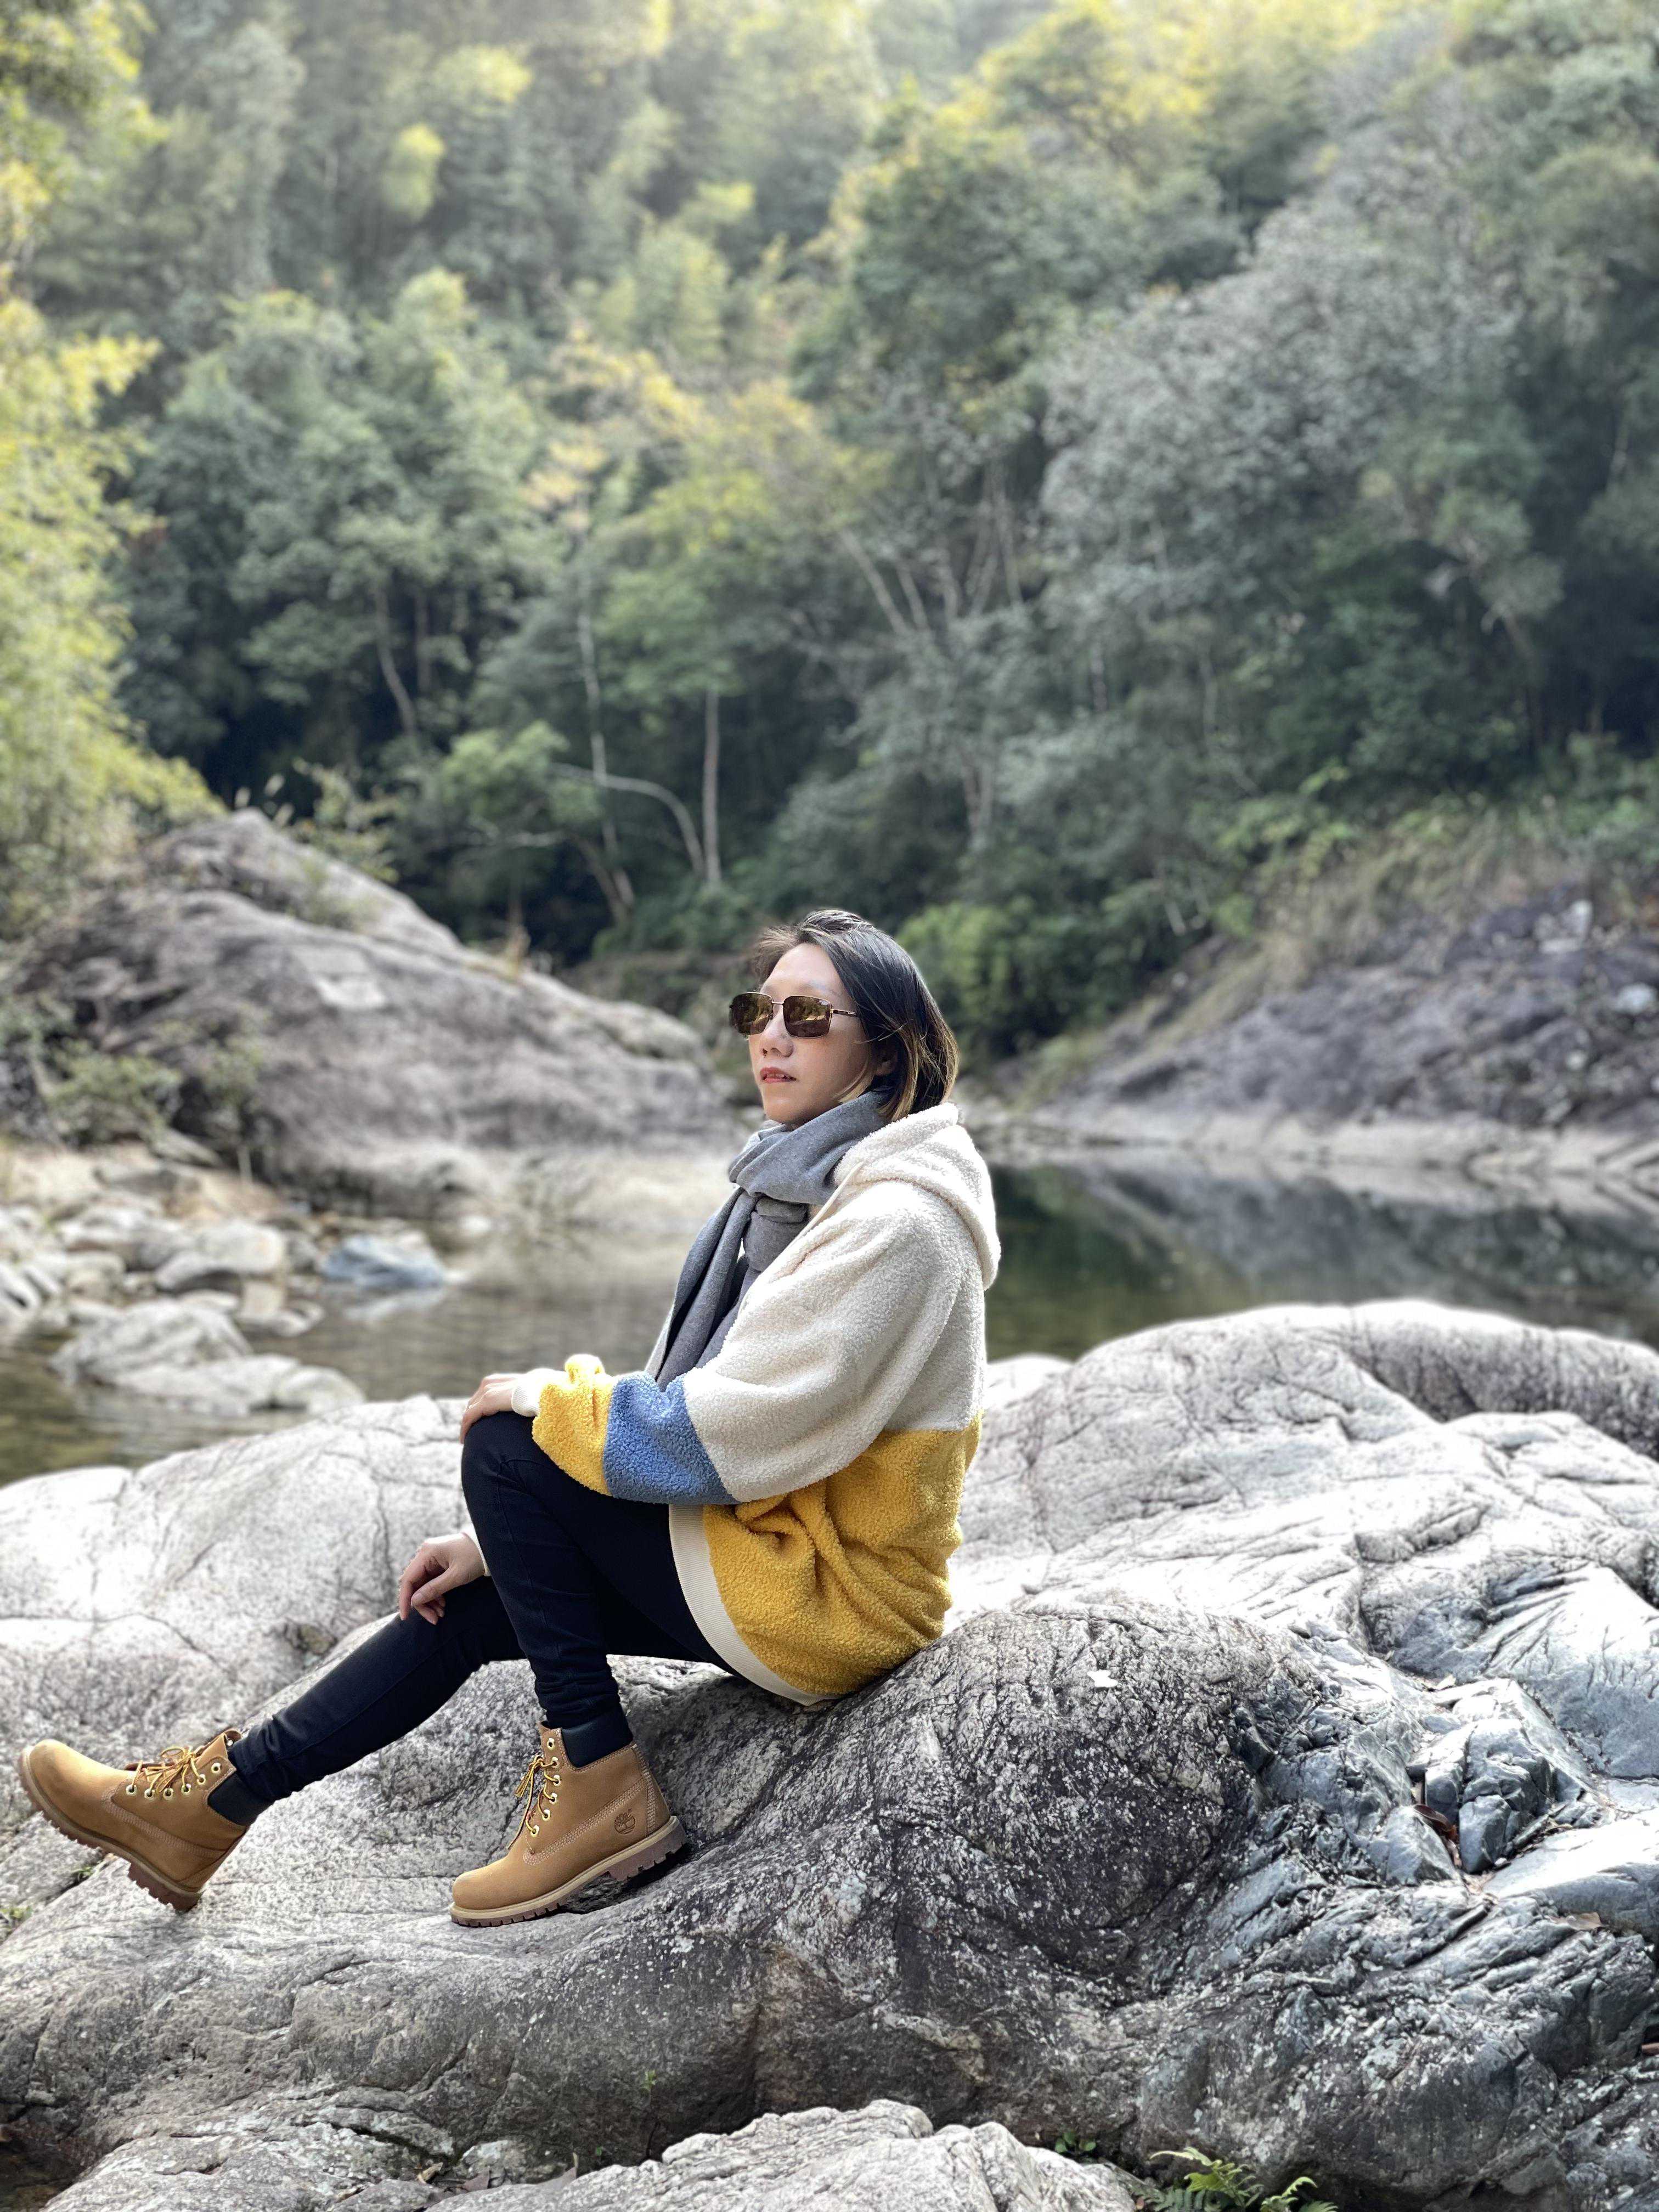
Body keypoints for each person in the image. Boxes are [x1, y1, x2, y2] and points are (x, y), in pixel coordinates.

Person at [15, 907, 1000, 1927]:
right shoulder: (792, 1187)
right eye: (760, 1010)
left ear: (887, 1047)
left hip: (834, 1595)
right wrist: (509, 1542)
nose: (772, 1036)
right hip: (772, 1544)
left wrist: (544, 1412)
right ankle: (206, 1810)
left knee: (506, 1439)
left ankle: (599, 1789)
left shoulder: (900, 1222)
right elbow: (703, 1404)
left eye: (809, 1016)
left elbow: (730, 1432)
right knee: (474, 1604)